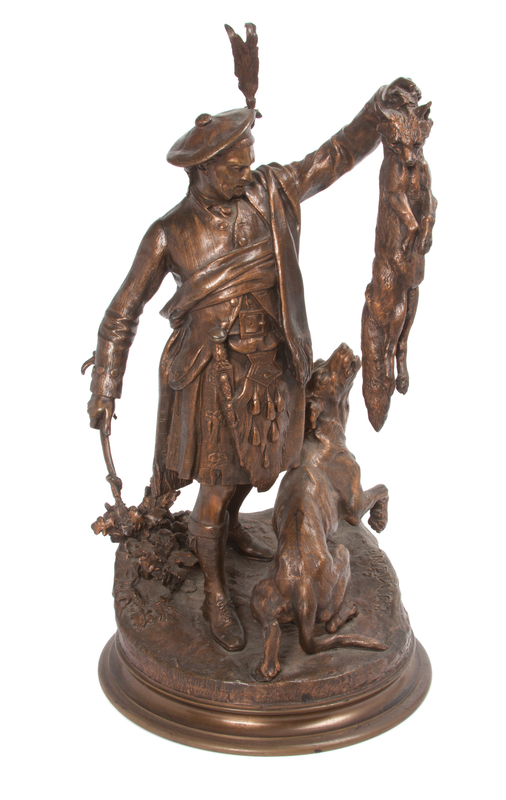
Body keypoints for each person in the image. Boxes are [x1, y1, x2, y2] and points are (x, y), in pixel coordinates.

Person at [88, 90, 388, 652]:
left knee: (261, 467)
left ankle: (229, 533)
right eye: (236, 165)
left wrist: (377, 112)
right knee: (216, 487)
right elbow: (122, 312)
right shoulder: (169, 233)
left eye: (250, 160)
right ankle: (216, 593)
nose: (248, 171)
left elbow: (333, 157)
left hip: (273, 370)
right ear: (202, 169)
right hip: (212, 377)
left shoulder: (269, 193)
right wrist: (105, 386)